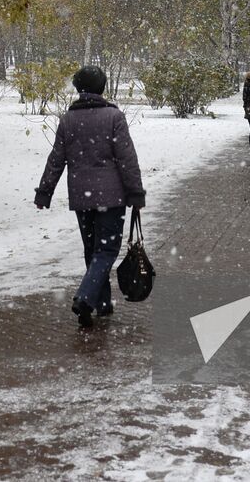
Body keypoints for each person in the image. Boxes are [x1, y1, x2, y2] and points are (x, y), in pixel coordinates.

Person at [35, 65, 146, 327]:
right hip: (111, 198)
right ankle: (85, 297)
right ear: (102, 88)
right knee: (106, 250)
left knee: (93, 250)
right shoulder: (113, 117)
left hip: (82, 197)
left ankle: (102, 304)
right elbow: (127, 159)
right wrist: (135, 193)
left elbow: (56, 160)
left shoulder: (68, 119)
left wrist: (45, 191)